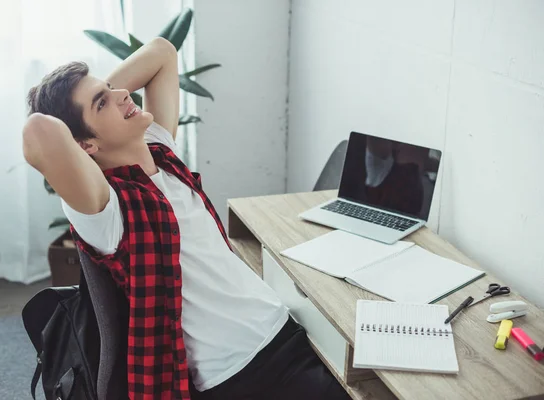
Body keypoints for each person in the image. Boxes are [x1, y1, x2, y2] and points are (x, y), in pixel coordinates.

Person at [23, 37, 351, 400]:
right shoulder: (108, 210)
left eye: (114, 88)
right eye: (103, 103)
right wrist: (78, 124)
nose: (123, 95)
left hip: (282, 327)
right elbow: (40, 132)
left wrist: (104, 104)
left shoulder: (160, 152)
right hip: (244, 372)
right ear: (84, 146)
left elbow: (162, 52)